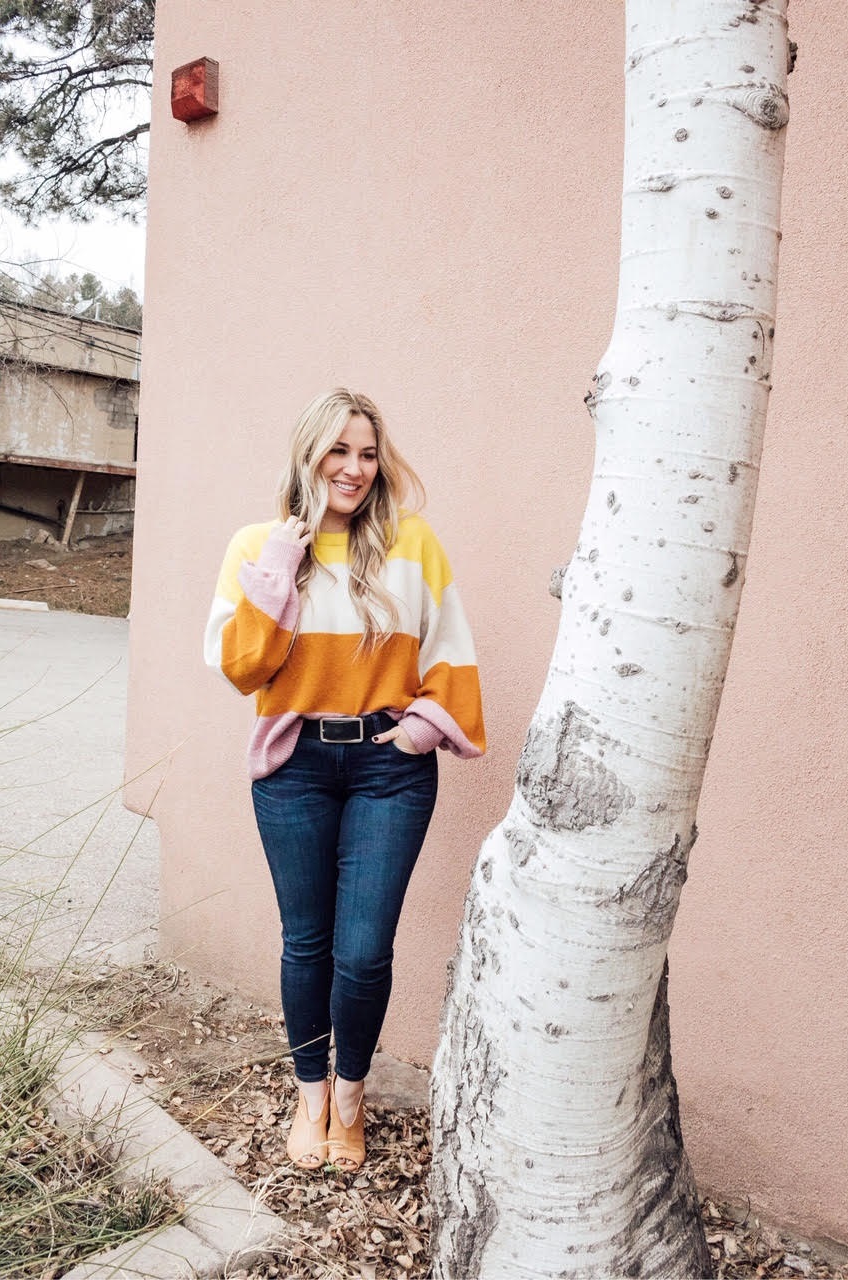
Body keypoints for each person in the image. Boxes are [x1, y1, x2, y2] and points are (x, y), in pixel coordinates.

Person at [204, 388, 485, 1172]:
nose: (355, 469)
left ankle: (352, 1095)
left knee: (363, 951)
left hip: (387, 769)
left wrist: (425, 727)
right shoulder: (257, 545)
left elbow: (450, 648)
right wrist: (280, 570)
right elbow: (239, 667)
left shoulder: (412, 542)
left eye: (367, 453)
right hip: (292, 766)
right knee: (308, 942)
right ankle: (311, 1097)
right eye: (339, 450)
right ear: (308, 454)